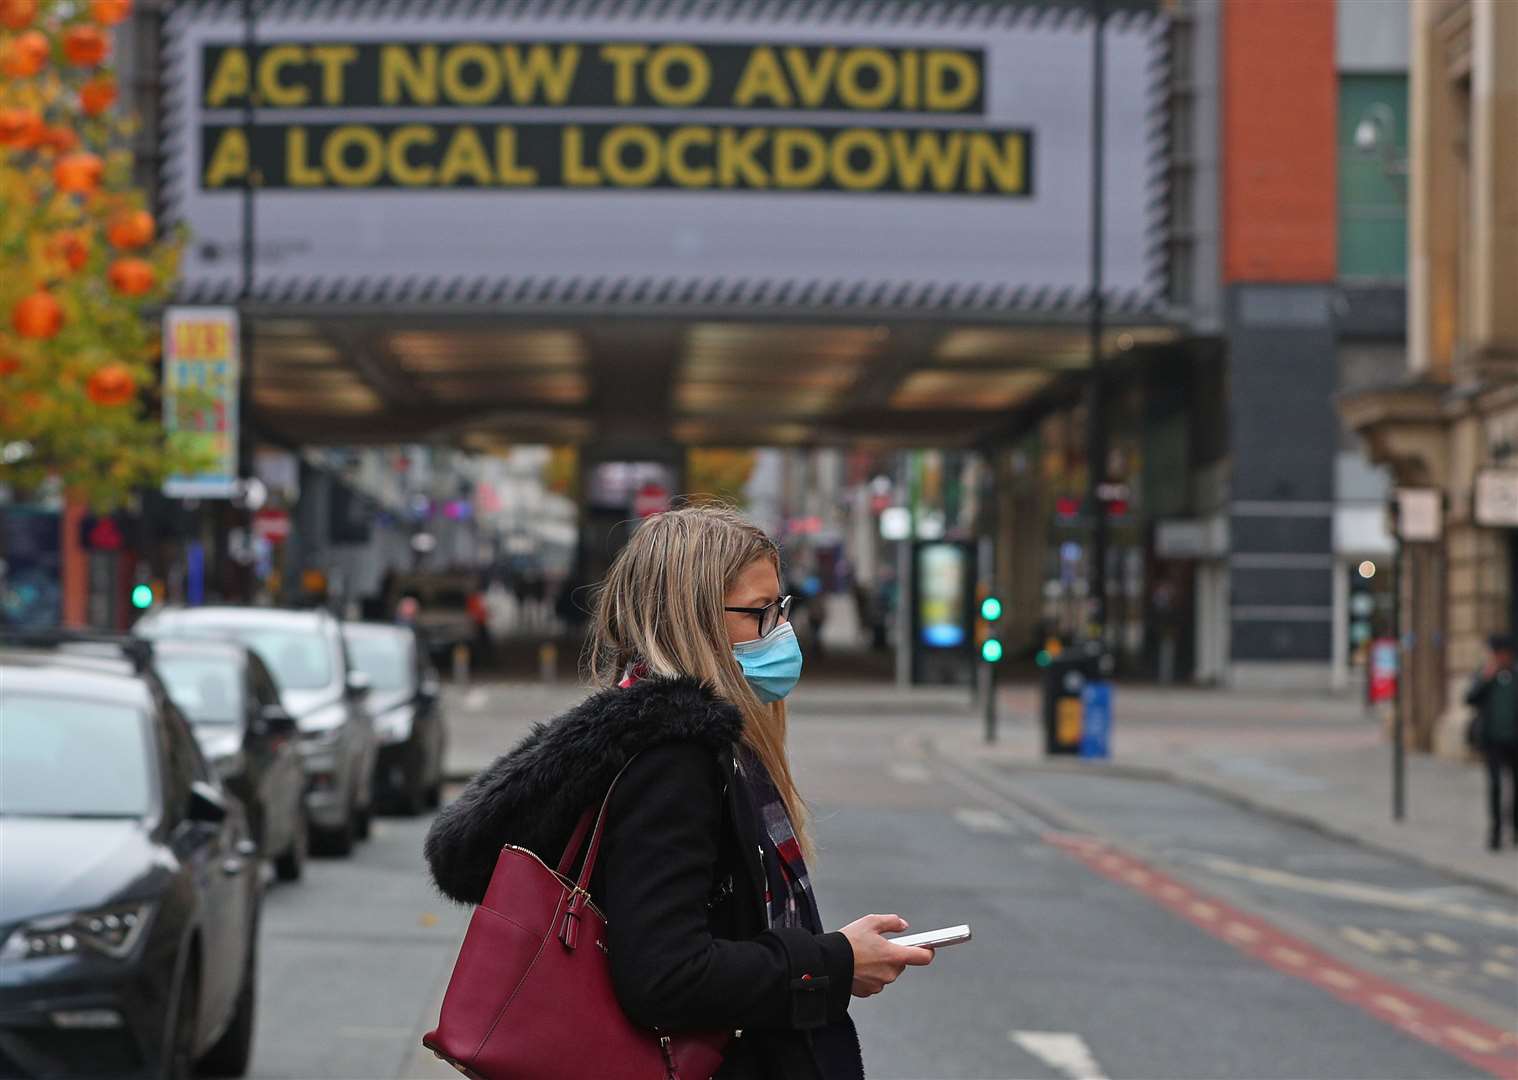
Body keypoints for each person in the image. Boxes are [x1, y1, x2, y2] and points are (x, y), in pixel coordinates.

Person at [424, 506, 933, 1079]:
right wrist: (835, 961)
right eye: (760, 613)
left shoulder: (671, 738)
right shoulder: (676, 758)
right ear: (692, 620)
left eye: (782, 609)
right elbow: (666, 977)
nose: (782, 632)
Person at [1465, 633, 1518, 851]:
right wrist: (1486, 678)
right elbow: (1470, 699)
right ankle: (1495, 833)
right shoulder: (1486, 675)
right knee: (1495, 786)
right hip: (1492, 740)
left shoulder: (1515, 675)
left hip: (1515, 741)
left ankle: (1515, 829)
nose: (1499, 657)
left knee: (1516, 788)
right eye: (1496, 654)